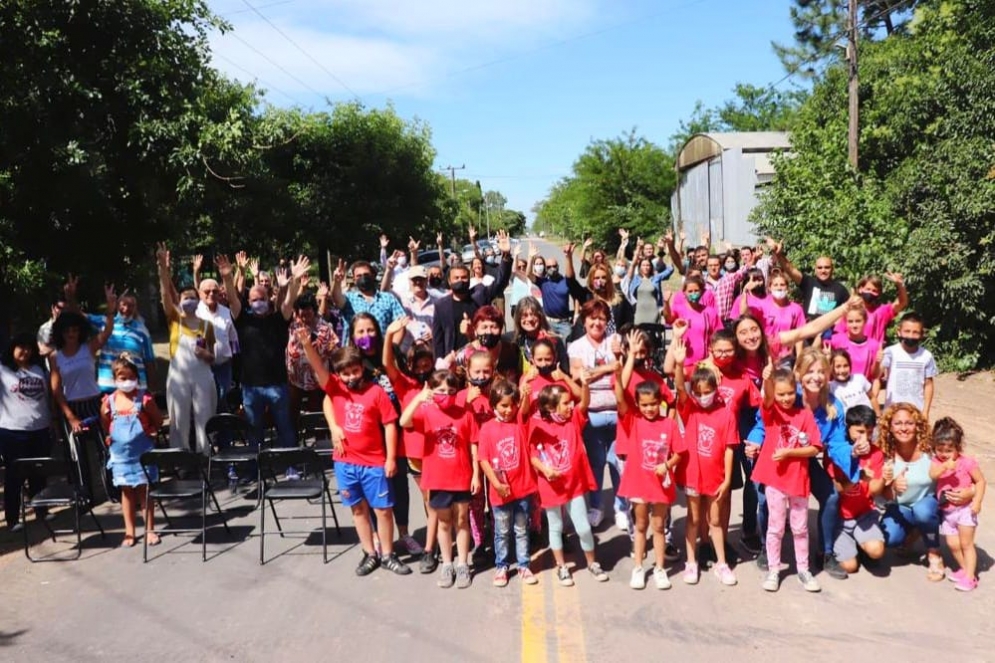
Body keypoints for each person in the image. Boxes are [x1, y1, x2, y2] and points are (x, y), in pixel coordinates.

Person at [317, 345, 411, 576]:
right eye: (346, 373)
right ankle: (370, 553)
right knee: (358, 510)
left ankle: (388, 554)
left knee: (383, 511)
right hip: (345, 463)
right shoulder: (336, 388)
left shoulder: (376, 392)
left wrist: (390, 459)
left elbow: (390, 425)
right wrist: (307, 345)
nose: (351, 377)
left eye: (355, 371)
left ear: (362, 369)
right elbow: (319, 370)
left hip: (374, 464)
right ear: (339, 375)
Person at [218, 253, 308, 451]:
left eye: (262, 298)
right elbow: (233, 299)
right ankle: (254, 469)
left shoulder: (278, 319)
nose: (258, 302)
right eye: (254, 299)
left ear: (269, 298)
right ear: (249, 302)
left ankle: (290, 465)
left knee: (285, 426)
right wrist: (227, 276)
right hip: (251, 387)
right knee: (254, 431)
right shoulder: (243, 320)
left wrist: (294, 279)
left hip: (277, 385)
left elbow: (290, 299)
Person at [400, 373, 480, 589]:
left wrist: (475, 474)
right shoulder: (426, 411)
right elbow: (403, 421)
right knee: (443, 522)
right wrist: (419, 398)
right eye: (441, 391)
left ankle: (463, 563)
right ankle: (447, 563)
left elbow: (474, 443)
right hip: (437, 478)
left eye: (451, 391)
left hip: (461, 476)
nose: (446, 395)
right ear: (432, 391)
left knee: (461, 520)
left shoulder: (465, 413)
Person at [671, 341, 739, 586]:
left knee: (716, 521)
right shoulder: (690, 409)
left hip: (716, 477)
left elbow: (730, 448)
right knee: (693, 519)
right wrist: (679, 363)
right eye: (697, 392)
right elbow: (680, 388)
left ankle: (722, 564)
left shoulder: (726, 413)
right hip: (691, 475)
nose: (702, 396)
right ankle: (691, 562)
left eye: (706, 391)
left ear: (715, 388)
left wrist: (728, 479)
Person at [751, 363, 823, 593]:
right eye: (781, 394)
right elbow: (767, 399)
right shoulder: (771, 413)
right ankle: (774, 569)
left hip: (798, 481)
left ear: (797, 390)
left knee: (800, 528)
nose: (786, 398)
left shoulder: (804, 415)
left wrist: (789, 452)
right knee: (775, 528)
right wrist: (766, 380)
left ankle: (803, 569)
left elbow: (814, 448)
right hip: (775, 481)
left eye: (790, 393)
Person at [529, 382, 610, 586]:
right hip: (551, 486)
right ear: (550, 407)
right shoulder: (537, 425)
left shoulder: (573, 419)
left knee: (583, 527)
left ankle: (592, 563)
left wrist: (583, 384)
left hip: (573, 485)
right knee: (555, 526)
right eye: (565, 403)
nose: (570, 406)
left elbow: (585, 402)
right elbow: (533, 456)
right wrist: (546, 470)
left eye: (570, 402)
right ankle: (562, 566)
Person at [614, 368, 683, 590]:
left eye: (653, 404)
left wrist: (667, 465)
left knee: (659, 526)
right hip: (638, 483)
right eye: (644, 405)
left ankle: (660, 569)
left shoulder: (669, 424)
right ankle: (638, 567)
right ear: (637, 404)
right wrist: (617, 374)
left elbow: (680, 452)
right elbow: (619, 396)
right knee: (641, 525)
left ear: (660, 402)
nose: (649, 408)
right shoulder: (632, 420)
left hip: (660, 486)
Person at [567, 299, 624, 531]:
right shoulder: (576, 345)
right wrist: (608, 368)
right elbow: (578, 373)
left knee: (618, 462)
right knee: (595, 464)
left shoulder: (615, 340)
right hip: (591, 414)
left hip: (617, 411)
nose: (597, 322)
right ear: (584, 320)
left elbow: (620, 367)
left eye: (602, 318)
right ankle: (597, 507)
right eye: (593, 318)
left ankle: (621, 508)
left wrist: (599, 370)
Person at [477, 380, 539, 587]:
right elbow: (483, 459)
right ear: (493, 404)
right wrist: (495, 484)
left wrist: (526, 395)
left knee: (521, 530)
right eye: (503, 405)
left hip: (522, 490)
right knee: (501, 532)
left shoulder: (520, 422)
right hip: (500, 492)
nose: (508, 410)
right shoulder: (486, 429)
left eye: (512, 405)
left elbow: (525, 409)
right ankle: (502, 565)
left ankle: (523, 564)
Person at [157, 245, 217, 454]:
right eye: (185, 298)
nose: (189, 301)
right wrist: (163, 269)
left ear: (198, 300)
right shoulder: (174, 321)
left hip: (202, 376)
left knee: (205, 418)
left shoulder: (206, 325)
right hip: (178, 377)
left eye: (193, 297)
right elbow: (165, 293)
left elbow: (213, 356)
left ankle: (205, 457)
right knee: (179, 419)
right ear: (180, 302)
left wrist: (205, 354)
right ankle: (180, 459)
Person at [99, 355, 164, 548]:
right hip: (120, 455)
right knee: (126, 492)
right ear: (114, 379)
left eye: (130, 377)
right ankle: (129, 532)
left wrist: (152, 429)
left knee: (145, 491)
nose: (126, 382)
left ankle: (150, 529)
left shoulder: (144, 399)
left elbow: (158, 420)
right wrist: (110, 435)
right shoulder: (108, 402)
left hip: (142, 452)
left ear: (136, 378)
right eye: (122, 378)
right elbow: (106, 423)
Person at [878, 403, 946, 581]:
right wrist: (892, 486)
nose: (903, 428)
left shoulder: (930, 450)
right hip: (902, 507)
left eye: (909, 423)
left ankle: (934, 553)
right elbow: (883, 495)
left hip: (929, 504)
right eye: (898, 423)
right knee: (889, 539)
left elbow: (957, 467)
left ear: (917, 425)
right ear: (890, 427)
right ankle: (915, 530)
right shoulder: (885, 453)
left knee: (922, 512)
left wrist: (970, 492)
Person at [431, 231, 513, 360]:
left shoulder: (479, 295)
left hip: (480, 359)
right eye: (456, 278)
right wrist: (440, 366)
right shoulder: (441, 306)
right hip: (453, 362)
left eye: (464, 277)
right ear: (449, 281)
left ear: (469, 279)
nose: (460, 280)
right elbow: (438, 340)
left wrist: (506, 256)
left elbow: (500, 282)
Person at [0, 334, 53, 532]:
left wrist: (52, 422)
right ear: (11, 349)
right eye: (20, 347)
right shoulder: (3, 370)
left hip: (40, 429)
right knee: (15, 476)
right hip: (12, 431)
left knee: (39, 473)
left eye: (29, 348)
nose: (25, 351)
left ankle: (42, 510)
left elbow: (47, 398)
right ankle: (13, 519)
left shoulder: (39, 369)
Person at [826, 405, 886, 575]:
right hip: (840, 517)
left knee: (876, 551)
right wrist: (857, 478)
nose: (864, 437)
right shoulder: (837, 451)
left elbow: (874, 491)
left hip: (864, 514)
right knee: (849, 567)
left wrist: (884, 477)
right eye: (859, 431)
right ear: (847, 428)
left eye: (869, 432)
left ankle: (864, 546)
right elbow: (836, 488)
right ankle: (848, 547)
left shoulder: (876, 454)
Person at [929, 417, 986, 592]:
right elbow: (933, 475)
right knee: (953, 545)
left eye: (949, 450)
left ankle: (970, 577)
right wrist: (945, 465)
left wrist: (977, 502)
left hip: (965, 510)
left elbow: (981, 482)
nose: (944, 453)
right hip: (948, 512)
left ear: (958, 448)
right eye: (940, 449)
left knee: (966, 544)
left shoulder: (967, 463)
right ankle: (964, 569)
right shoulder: (937, 462)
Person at [49, 287, 116, 432]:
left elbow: (107, 332)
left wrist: (110, 310)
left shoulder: (89, 348)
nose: (71, 334)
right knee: (79, 453)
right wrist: (70, 416)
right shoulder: (55, 356)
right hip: (72, 406)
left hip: (94, 403)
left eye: (75, 330)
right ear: (60, 333)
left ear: (80, 331)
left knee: (103, 448)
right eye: (67, 331)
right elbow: (56, 390)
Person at [90, 291, 156, 394]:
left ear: (135, 308)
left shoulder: (142, 330)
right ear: (117, 305)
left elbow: (149, 361)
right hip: (108, 388)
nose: (126, 309)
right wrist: (70, 296)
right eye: (123, 304)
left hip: (136, 388)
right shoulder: (105, 322)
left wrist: (152, 390)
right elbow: (80, 315)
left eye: (131, 306)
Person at [286, 292, 338, 416]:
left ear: (314, 309)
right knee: (292, 411)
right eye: (302, 309)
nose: (305, 312)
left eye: (308, 308)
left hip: (317, 380)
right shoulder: (292, 325)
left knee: (315, 411)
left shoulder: (325, 328)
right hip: (295, 378)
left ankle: (315, 433)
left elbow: (334, 351)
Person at [878, 312, 937, 419]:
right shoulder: (890, 352)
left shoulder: (926, 356)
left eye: (915, 332)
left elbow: (928, 384)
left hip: (916, 412)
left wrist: (926, 411)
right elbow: (877, 375)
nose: (910, 336)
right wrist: (877, 361)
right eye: (907, 331)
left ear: (922, 334)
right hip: (892, 411)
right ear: (899, 332)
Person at [195, 276, 239, 415]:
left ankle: (224, 435)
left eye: (214, 291)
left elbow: (233, 339)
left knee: (222, 401)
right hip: (202, 367)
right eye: (207, 291)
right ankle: (207, 435)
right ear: (200, 293)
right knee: (204, 403)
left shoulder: (226, 312)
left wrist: (234, 359)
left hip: (223, 367)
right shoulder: (195, 313)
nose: (211, 294)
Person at [528, 242, 587, 340]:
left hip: (564, 324)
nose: (552, 269)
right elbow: (528, 274)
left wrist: (576, 314)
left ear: (558, 267)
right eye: (549, 267)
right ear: (546, 269)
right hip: (548, 323)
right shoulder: (542, 282)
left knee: (565, 352)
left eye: (554, 266)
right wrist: (530, 257)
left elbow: (575, 297)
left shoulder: (565, 281)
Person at [663, 275, 720, 373]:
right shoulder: (679, 309)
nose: (693, 294)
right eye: (690, 291)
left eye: (696, 290)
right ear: (684, 293)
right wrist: (666, 303)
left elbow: (718, 336)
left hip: (704, 363)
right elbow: (668, 318)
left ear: (702, 291)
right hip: (683, 363)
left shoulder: (710, 312)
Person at [775, 251, 851, 323]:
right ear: (815, 270)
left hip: (831, 335)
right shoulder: (808, 283)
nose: (823, 270)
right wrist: (779, 254)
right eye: (820, 268)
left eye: (827, 267)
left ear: (832, 269)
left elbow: (850, 312)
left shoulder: (841, 290)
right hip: (809, 333)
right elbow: (790, 269)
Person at [835, 273, 908, 344]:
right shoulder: (851, 310)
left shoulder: (881, 311)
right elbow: (839, 333)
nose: (870, 292)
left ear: (879, 293)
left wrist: (900, 285)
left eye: (874, 291)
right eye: (868, 289)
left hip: (873, 354)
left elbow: (902, 303)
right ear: (861, 289)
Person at [511, 297, 570, 373]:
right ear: (518, 319)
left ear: (540, 316)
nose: (530, 319)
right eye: (525, 315)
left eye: (533, 314)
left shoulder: (554, 341)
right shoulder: (517, 343)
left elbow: (565, 371)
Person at [625, 237, 674, 327]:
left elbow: (670, 269)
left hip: (653, 312)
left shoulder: (656, 277)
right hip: (638, 312)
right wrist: (638, 247)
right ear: (639, 267)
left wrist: (669, 250)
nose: (646, 267)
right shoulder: (634, 278)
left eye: (648, 265)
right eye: (643, 265)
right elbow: (632, 263)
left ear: (651, 267)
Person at [829, 305, 881, 381]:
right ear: (845, 322)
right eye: (850, 321)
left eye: (858, 321)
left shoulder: (873, 345)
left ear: (865, 321)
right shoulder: (836, 340)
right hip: (838, 390)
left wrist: (877, 362)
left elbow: (874, 375)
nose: (854, 325)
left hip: (861, 390)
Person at [829, 349, 874, 413]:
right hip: (849, 422)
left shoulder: (859, 378)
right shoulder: (830, 387)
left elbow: (872, 398)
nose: (842, 370)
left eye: (846, 366)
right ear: (831, 368)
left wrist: (878, 416)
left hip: (868, 420)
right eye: (838, 367)